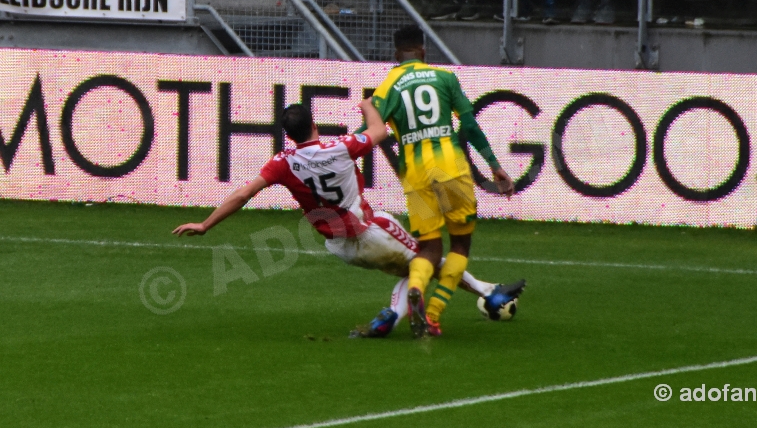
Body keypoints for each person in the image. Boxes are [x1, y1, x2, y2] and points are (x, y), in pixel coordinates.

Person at [173, 101, 524, 338]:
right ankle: (488, 295)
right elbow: (380, 131)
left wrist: (206, 224)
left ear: (289, 135)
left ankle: (392, 316)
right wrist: (370, 105)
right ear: (314, 124)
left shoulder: (282, 162)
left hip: (339, 247)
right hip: (370, 231)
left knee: (412, 270)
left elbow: (243, 194)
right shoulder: (341, 146)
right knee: (427, 261)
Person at [370, 25, 516, 338]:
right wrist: (494, 166)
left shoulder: (388, 85)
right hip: (449, 170)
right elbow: (470, 127)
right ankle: (433, 314)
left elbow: (369, 132)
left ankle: (417, 288)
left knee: (429, 248)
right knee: (460, 243)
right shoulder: (444, 77)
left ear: (396, 55)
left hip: (417, 176)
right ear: (423, 51)